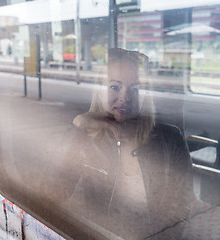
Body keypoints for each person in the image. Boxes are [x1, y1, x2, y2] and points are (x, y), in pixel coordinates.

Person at [69, 48, 194, 239]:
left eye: (135, 89)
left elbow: (181, 210)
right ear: (99, 89)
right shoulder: (87, 139)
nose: (125, 97)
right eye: (114, 87)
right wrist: (78, 128)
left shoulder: (170, 139)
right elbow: (53, 190)